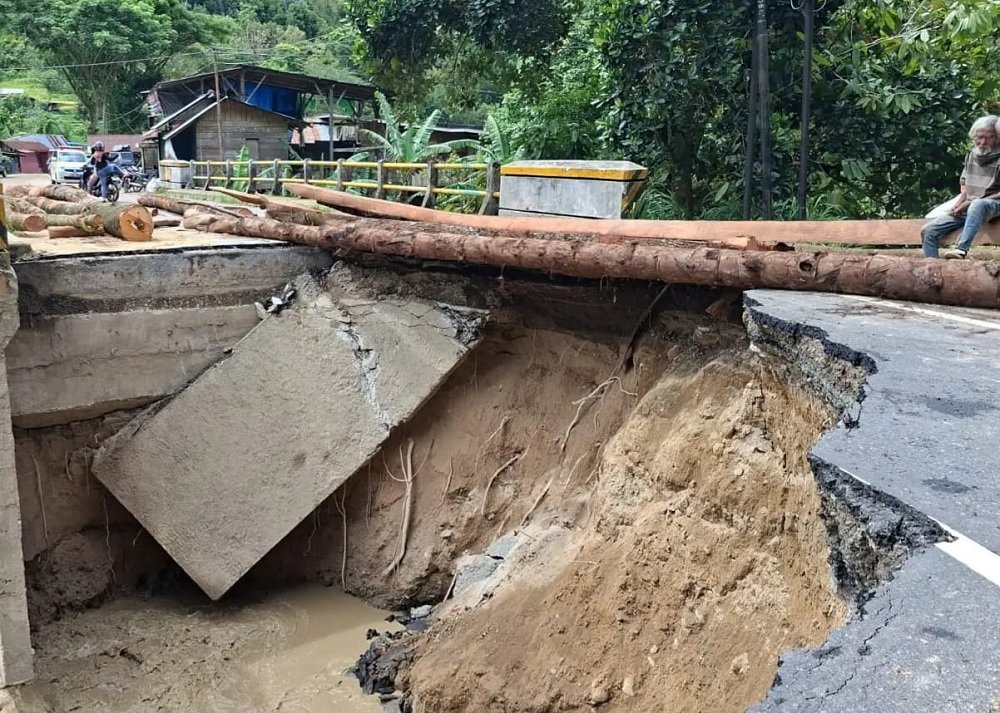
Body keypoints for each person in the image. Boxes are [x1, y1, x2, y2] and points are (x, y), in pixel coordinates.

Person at [921, 116, 1000, 259]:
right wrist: (960, 202)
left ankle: (961, 249)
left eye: (989, 138)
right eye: (979, 137)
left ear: (997, 138)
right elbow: (965, 184)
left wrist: (971, 203)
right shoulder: (971, 156)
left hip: (992, 205)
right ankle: (932, 267)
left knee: (978, 204)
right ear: (973, 137)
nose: (983, 142)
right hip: (971, 207)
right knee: (928, 231)